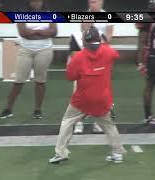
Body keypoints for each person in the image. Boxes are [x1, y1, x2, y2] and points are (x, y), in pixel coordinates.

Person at [49, 26, 125, 164]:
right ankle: (117, 153)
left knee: (67, 121)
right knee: (108, 125)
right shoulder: (108, 51)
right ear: (98, 39)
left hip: (82, 100)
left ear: (84, 41)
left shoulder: (78, 57)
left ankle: (61, 153)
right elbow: (116, 55)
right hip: (102, 98)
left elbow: (70, 77)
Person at [0, 0, 57, 120]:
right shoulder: (22, 14)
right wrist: (43, 32)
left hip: (44, 50)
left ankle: (37, 110)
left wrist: (35, 32)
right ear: (29, 2)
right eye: (33, 1)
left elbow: (54, 32)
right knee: (18, 81)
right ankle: (8, 109)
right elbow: (23, 33)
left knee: (40, 80)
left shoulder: (50, 13)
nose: (36, 3)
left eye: (38, 1)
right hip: (25, 50)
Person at [73, 0, 115, 134]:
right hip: (86, 56)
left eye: (95, 1)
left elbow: (109, 38)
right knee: (79, 89)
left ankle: (98, 122)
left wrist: (99, 43)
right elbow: (83, 33)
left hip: (101, 57)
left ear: (101, 2)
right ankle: (79, 122)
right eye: (90, 2)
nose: (92, 4)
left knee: (100, 91)